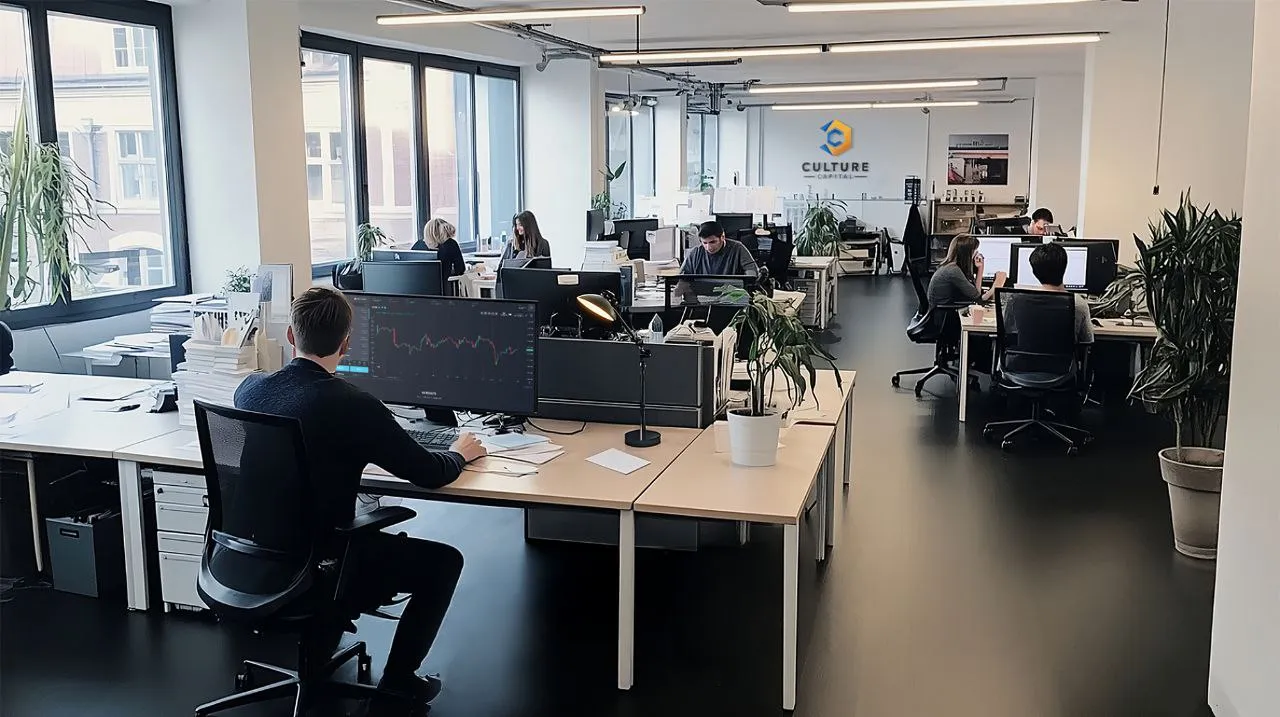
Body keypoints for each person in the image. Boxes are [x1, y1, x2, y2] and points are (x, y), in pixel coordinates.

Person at [233, 287, 487, 709]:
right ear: (346, 343)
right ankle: (398, 683)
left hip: (250, 558)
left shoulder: (250, 389)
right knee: (444, 563)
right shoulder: (354, 406)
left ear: (291, 336)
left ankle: (324, 646)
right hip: (322, 564)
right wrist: (459, 452)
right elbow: (429, 473)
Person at [1002, 242, 1094, 345]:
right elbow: (1087, 341)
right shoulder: (1078, 304)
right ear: (1065, 267)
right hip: (1061, 356)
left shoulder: (1015, 301)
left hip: (1021, 355)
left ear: (1034, 272)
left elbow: (1006, 333)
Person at [927, 234, 1005, 308]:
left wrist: (979, 267)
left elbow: (976, 293)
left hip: (945, 310)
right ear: (966, 254)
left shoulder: (952, 267)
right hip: (944, 313)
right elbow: (978, 297)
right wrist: (997, 283)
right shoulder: (953, 271)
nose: (977, 254)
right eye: (975, 251)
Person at [680, 221, 759, 277]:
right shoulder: (695, 253)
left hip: (731, 292)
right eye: (705, 243)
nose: (709, 247)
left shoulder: (738, 248)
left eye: (712, 242)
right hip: (701, 293)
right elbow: (683, 277)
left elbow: (751, 271)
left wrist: (749, 280)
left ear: (722, 237)